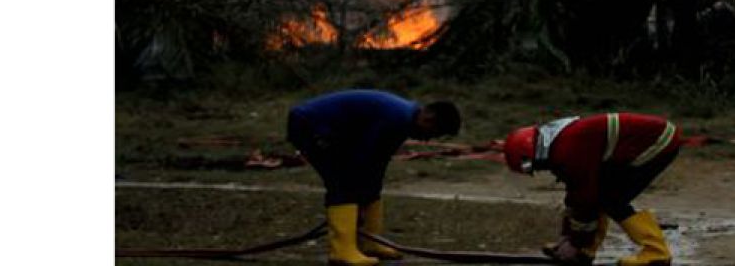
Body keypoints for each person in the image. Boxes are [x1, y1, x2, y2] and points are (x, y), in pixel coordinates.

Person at [287, 89, 462, 266]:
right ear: (427, 118)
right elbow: (362, 156)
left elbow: (378, 161)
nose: (427, 140)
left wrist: (368, 191)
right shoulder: (396, 118)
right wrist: (357, 199)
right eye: (432, 133)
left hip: (335, 131)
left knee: (370, 184)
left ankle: (370, 243)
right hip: (309, 125)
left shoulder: (404, 122)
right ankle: (341, 251)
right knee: (342, 182)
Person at [503, 113, 682, 266]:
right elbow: (575, 195)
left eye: (530, 168)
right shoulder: (558, 144)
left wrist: (575, 242)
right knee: (599, 194)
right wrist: (568, 237)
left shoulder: (566, 152)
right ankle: (585, 251)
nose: (537, 170)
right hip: (642, 141)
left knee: (612, 199)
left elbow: (585, 199)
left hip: (658, 142)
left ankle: (657, 254)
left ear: (529, 156)